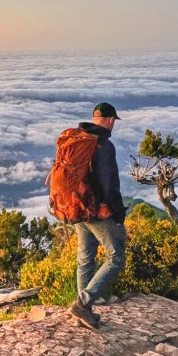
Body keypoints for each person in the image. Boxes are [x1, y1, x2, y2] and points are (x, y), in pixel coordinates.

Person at [69, 102, 127, 329]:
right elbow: (109, 184)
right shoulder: (104, 145)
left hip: (78, 208)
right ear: (111, 120)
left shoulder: (80, 139)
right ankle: (83, 304)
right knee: (116, 258)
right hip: (97, 211)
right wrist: (117, 212)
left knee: (85, 258)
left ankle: (84, 312)